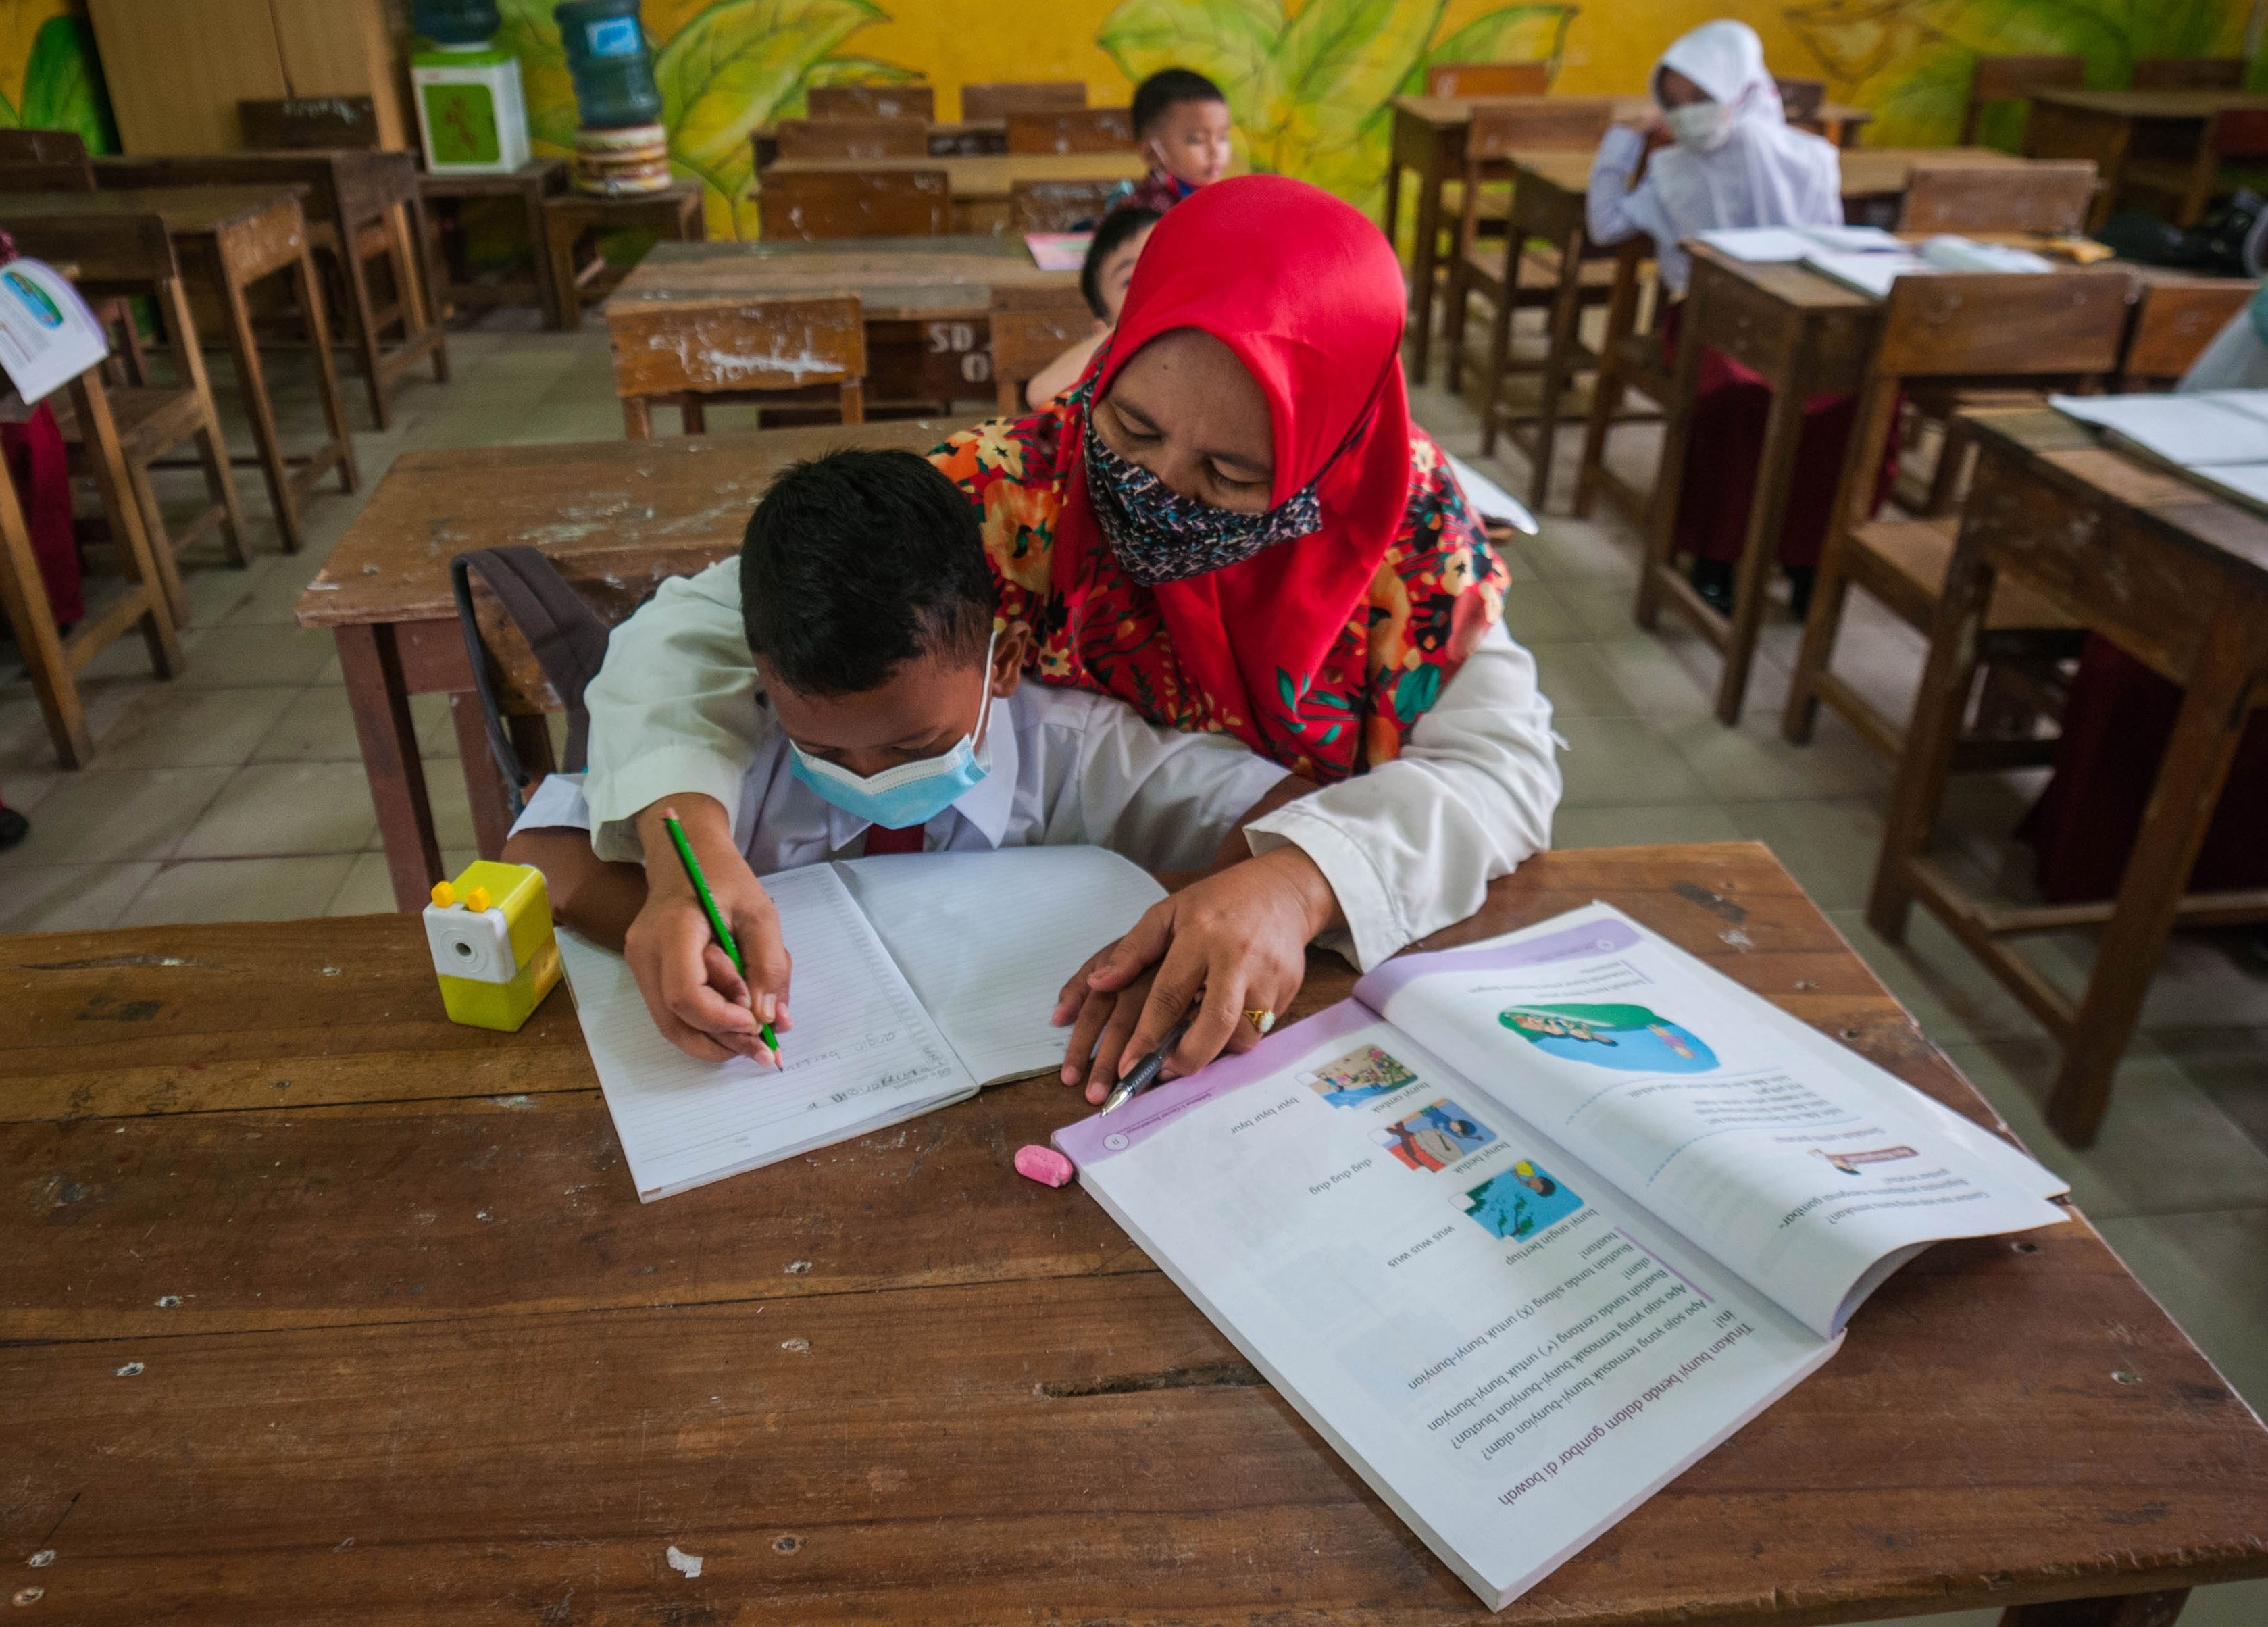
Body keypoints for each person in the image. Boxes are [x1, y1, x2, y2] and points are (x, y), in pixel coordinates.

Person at [576, 175, 1562, 1099]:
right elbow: (705, 624)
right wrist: (684, 855)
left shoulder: (1413, 558)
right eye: (1133, 427)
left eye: (1229, 475)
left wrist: (1299, 882)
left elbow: (1505, 772)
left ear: (1329, 455)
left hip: (1322, 958)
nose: (1160, 491)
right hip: (1078, 923)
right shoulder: (1015, 492)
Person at [502, 448, 1294, 1041]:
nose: (870, 777)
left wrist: (1223, 914)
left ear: (1005, 663)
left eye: (916, 746)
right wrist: (687, 926)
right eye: (825, 753)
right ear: (765, 681)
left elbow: (1290, 808)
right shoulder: (736, 743)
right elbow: (542, 852)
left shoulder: (1076, 754)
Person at [1585, 19, 1865, 618]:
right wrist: (1623, 142)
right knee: (1742, 398)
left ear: (1742, 90)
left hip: (1795, 316)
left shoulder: (1811, 160)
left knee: (1843, 401)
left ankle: (1808, 559)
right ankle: (1716, 554)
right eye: (1674, 101)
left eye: (1700, 97)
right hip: (1708, 320)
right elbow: (1605, 226)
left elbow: (1831, 249)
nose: (1687, 114)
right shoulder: (1673, 169)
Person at [1024, 205, 1159, 409]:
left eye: (1164, 263)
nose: (1153, 281)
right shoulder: (1120, 352)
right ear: (1103, 329)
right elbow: (1042, 393)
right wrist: (1130, 330)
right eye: (1130, 280)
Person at [1115, 67, 1232, 214]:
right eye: (1197, 140)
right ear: (1151, 151)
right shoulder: (1143, 213)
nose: (1215, 152)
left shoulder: (1225, 200)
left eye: (1222, 137)